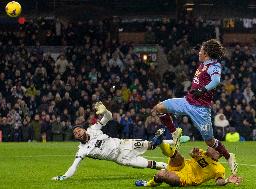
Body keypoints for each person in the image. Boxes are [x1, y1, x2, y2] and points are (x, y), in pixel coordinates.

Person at [152, 39, 238, 174]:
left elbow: (216, 81)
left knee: (209, 142)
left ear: (206, 53)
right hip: (187, 102)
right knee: (159, 108)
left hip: (201, 110)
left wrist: (203, 90)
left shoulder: (215, 66)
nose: (199, 52)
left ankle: (229, 156)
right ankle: (175, 132)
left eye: (201, 50)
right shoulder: (204, 63)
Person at [52, 102, 167, 181]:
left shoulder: (93, 129)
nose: (78, 133)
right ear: (76, 138)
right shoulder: (82, 150)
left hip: (123, 144)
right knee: (149, 164)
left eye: (79, 130)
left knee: (151, 145)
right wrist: (63, 177)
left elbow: (108, 117)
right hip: (121, 159)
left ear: (83, 129)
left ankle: (169, 142)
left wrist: (105, 111)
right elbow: (74, 166)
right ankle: (170, 167)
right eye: (76, 133)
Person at [135, 132, 242, 187]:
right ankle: (161, 142)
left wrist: (227, 180)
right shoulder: (202, 153)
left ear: (218, 154)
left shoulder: (219, 169)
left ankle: (147, 184)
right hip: (181, 165)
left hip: (186, 178)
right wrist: (192, 152)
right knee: (177, 156)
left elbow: (219, 181)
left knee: (161, 174)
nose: (209, 146)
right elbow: (191, 153)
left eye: (213, 147)